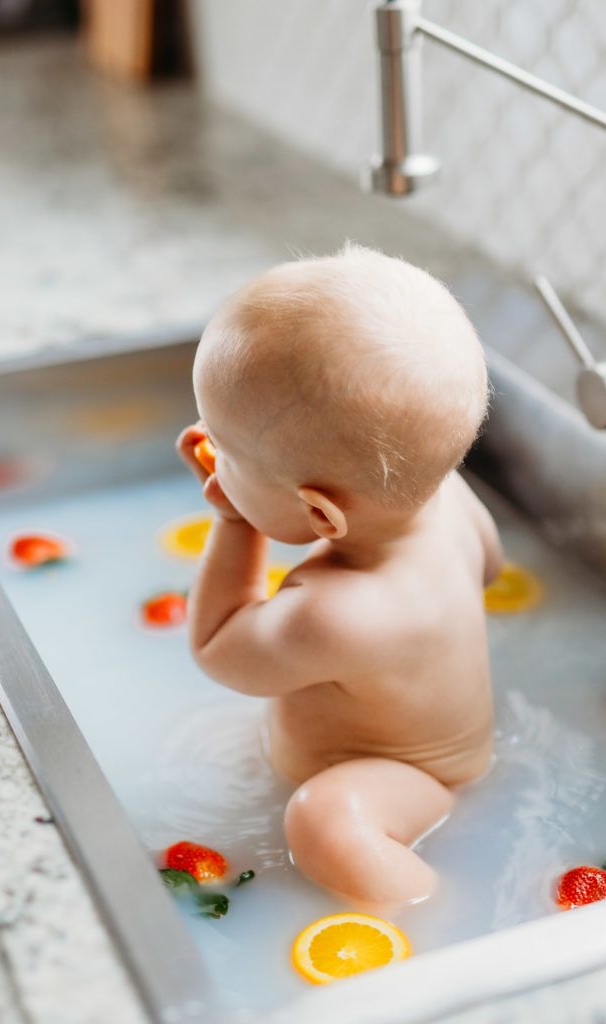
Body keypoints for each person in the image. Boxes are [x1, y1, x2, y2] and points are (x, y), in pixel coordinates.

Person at [176, 243, 502, 911]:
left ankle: (434, 920)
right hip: (463, 747)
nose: (212, 453)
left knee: (323, 819)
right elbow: (489, 570)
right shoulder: (448, 499)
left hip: (403, 781)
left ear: (319, 513)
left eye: (227, 453)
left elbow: (216, 648)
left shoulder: (331, 612)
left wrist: (235, 524)